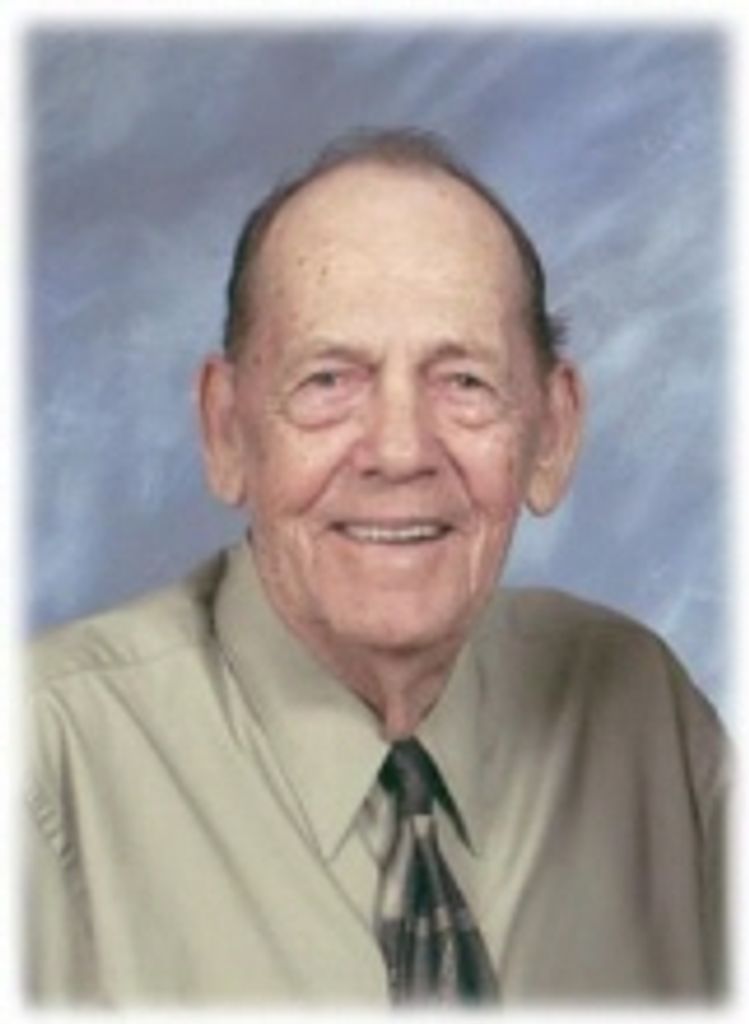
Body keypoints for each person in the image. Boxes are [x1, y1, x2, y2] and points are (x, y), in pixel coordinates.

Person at [25, 128, 727, 1006]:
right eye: (328, 381)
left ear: (550, 434)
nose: (399, 451)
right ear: (226, 430)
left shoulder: (640, 714)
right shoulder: (44, 768)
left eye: (464, 382)